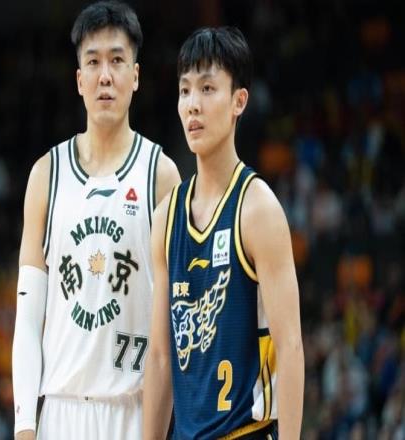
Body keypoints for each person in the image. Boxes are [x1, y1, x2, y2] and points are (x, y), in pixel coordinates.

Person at [11, 2, 180, 439]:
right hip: (60, 412)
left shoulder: (161, 176)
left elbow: (175, 322)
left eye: (117, 60)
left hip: (134, 412)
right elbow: (28, 319)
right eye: (93, 62)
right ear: (79, 80)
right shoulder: (46, 175)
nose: (105, 75)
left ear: (136, 76)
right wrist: (25, 426)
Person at [143, 27, 304, 439]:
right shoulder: (165, 218)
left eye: (207, 88)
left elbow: (290, 346)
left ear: (239, 101)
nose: (193, 105)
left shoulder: (258, 209)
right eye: (185, 91)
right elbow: (160, 357)